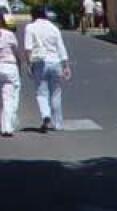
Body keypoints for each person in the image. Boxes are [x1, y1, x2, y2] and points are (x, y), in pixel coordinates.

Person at [23, 5, 70, 133]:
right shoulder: (53, 27)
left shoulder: (30, 27)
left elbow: (28, 48)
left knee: (41, 92)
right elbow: (61, 47)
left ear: (33, 15)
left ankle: (45, 115)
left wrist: (28, 64)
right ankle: (58, 124)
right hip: (55, 62)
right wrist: (65, 65)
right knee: (56, 92)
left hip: (39, 62)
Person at [0, 12, 19, 137]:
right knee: (8, 98)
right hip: (8, 66)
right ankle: (7, 128)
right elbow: (16, 52)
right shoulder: (9, 34)